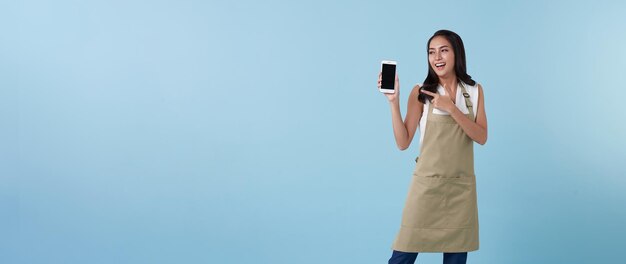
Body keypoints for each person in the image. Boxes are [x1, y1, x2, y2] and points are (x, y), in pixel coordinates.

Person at [377, 30, 488, 264]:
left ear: (457, 53)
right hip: (426, 187)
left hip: (461, 190)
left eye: (444, 50)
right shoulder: (421, 92)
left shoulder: (475, 91)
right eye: (431, 52)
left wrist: (452, 108)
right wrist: (393, 102)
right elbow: (403, 142)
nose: (437, 57)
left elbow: (481, 136)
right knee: (402, 256)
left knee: (456, 259)